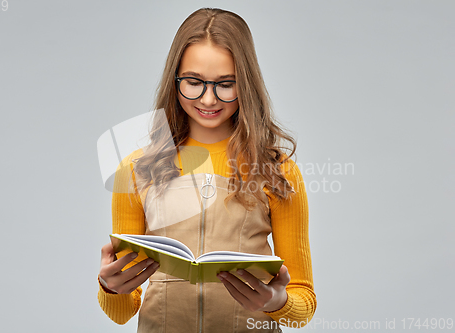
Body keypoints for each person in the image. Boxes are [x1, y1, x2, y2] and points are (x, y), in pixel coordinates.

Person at [97, 7, 316, 332]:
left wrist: (276, 302)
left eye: (226, 84)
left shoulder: (277, 172)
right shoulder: (135, 170)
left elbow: (303, 304)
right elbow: (122, 313)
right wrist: (111, 289)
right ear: (175, 80)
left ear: (247, 83)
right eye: (194, 82)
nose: (209, 99)